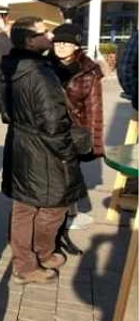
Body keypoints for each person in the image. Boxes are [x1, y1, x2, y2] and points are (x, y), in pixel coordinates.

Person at [0, 16, 87, 284]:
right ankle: (31, 260)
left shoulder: (11, 66)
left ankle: (33, 259)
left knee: (26, 206)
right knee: (53, 206)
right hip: (44, 149)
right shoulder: (38, 72)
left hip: (20, 142)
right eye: (43, 33)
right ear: (29, 40)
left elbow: (4, 111)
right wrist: (68, 151)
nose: (51, 37)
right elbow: (53, 122)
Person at [49, 23, 104, 235]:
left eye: (67, 43)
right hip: (48, 128)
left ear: (76, 46)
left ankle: (70, 213)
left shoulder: (87, 71)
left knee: (69, 172)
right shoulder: (44, 65)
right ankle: (59, 212)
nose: (61, 46)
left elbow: (95, 108)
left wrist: (93, 142)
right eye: (58, 42)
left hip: (74, 129)